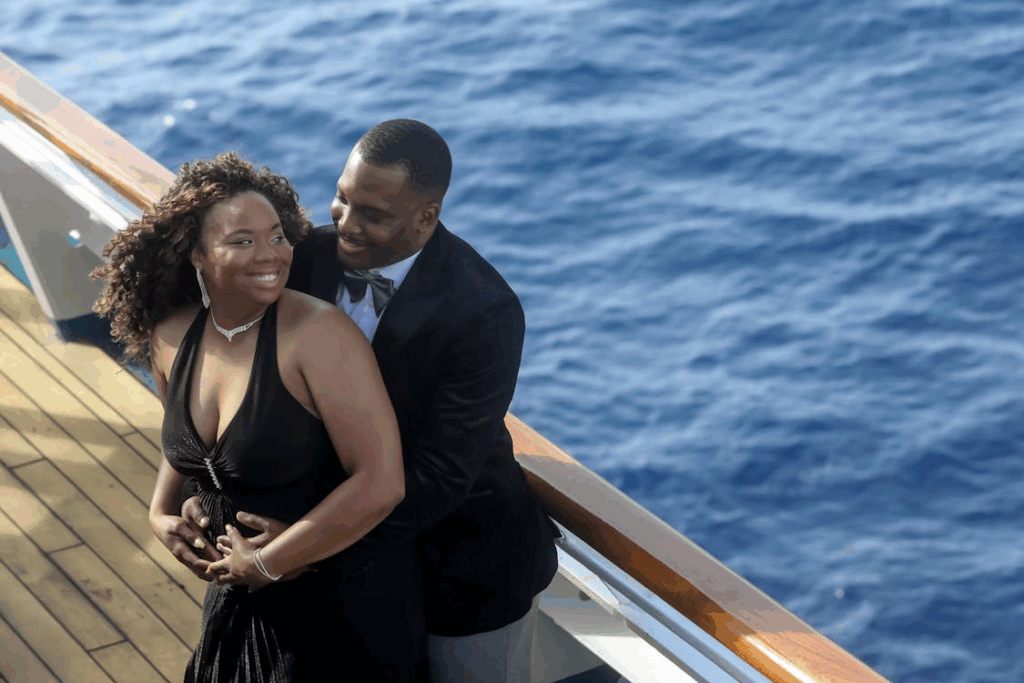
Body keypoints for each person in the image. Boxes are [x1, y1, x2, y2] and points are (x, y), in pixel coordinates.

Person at [181, 120, 560, 682]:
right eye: (342, 197)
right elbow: (235, 378)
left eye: (373, 214)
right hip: (344, 569)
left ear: (426, 217)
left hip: (457, 563)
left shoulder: (485, 310)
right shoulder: (300, 258)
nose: (346, 223)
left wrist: (302, 547)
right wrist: (204, 491)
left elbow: (440, 476)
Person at [91, 152, 425, 682]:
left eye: (276, 236)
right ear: (197, 254)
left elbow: (381, 482)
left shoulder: (319, 336)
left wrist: (270, 562)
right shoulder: (171, 338)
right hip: (238, 598)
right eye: (242, 241)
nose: (270, 255)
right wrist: (160, 512)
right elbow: (188, 446)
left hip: (334, 610)